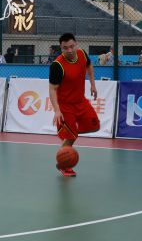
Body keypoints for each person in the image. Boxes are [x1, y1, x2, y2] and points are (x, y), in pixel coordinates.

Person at [49, 33, 100, 177]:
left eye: (72, 46)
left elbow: (89, 66)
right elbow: (52, 89)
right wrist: (57, 111)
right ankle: (63, 164)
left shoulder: (82, 54)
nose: (69, 50)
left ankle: (70, 132)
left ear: (76, 44)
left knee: (95, 126)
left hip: (81, 101)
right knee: (71, 136)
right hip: (65, 106)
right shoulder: (57, 65)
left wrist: (93, 84)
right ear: (61, 48)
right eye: (65, 48)